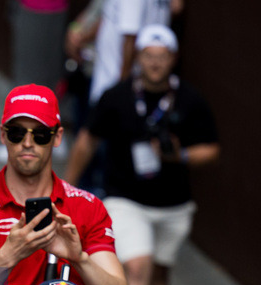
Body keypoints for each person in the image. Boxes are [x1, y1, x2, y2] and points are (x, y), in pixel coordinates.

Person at [83, 24, 219, 285]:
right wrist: (66, 187)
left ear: (173, 58)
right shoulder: (116, 96)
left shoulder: (190, 100)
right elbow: (87, 139)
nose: (155, 62)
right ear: (137, 57)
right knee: (137, 265)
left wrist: (180, 155)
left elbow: (211, 149)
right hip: (125, 198)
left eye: (162, 55)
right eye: (148, 55)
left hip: (173, 205)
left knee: (159, 270)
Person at [0, 83, 127, 285]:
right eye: (17, 133)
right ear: (3, 136)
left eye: (40, 134)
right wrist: (8, 255)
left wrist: (80, 259)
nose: (28, 142)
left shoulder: (89, 207)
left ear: (57, 137)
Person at [65, 0, 181, 188]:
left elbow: (130, 36)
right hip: (129, 90)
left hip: (114, 87)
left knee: (99, 156)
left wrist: (122, 88)